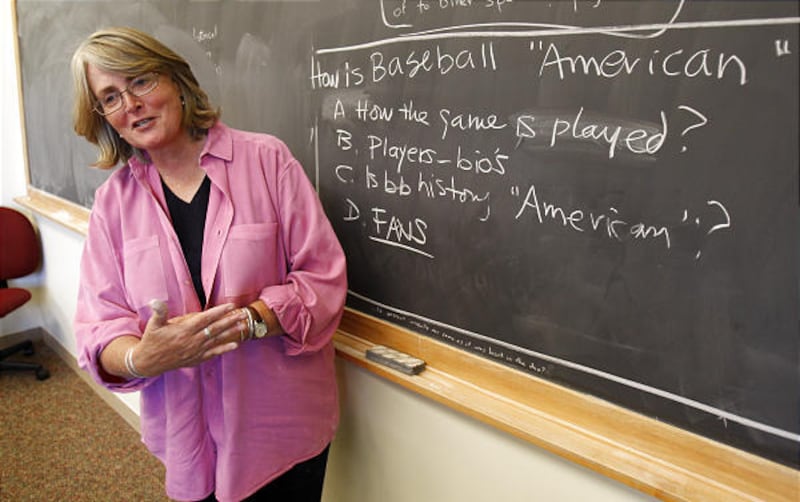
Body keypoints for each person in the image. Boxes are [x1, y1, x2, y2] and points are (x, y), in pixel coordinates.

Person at [71, 27, 347, 502]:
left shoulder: (267, 161)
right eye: (110, 97)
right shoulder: (112, 204)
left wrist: (248, 322)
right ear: (104, 118)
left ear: (176, 80)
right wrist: (141, 357)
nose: (131, 104)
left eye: (140, 81)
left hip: (280, 430)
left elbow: (321, 280)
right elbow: (99, 327)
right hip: (185, 435)